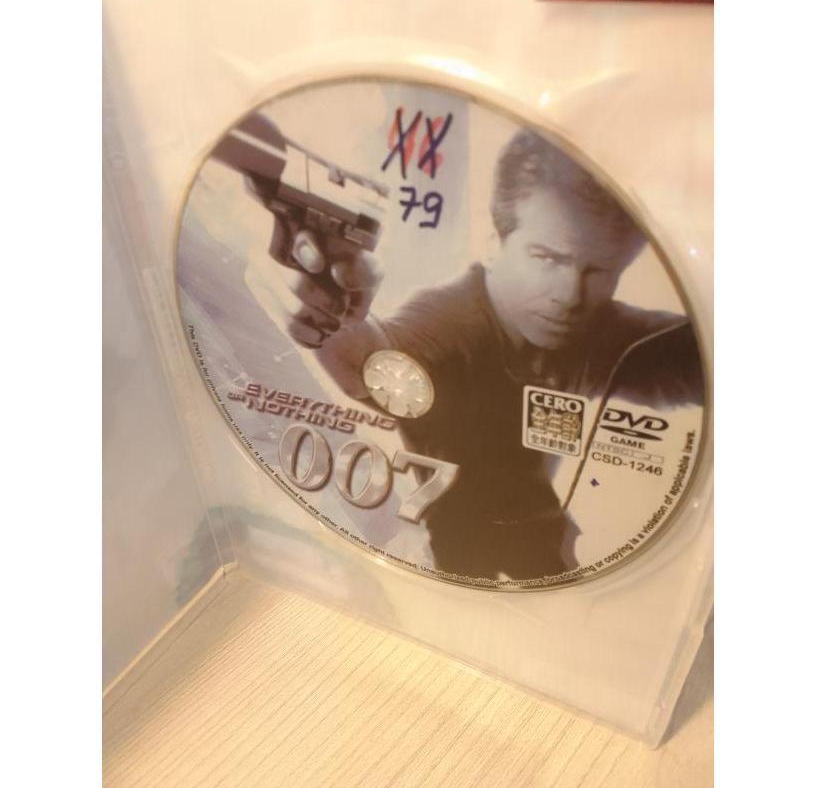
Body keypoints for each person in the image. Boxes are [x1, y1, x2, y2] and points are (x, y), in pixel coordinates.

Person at [244, 128, 704, 582]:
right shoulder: (450, 321)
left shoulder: (601, 330)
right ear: (493, 243)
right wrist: (331, 314)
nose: (569, 295)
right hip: (452, 544)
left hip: (537, 529)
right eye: (547, 258)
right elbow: (373, 361)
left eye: (600, 270)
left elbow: (696, 358)